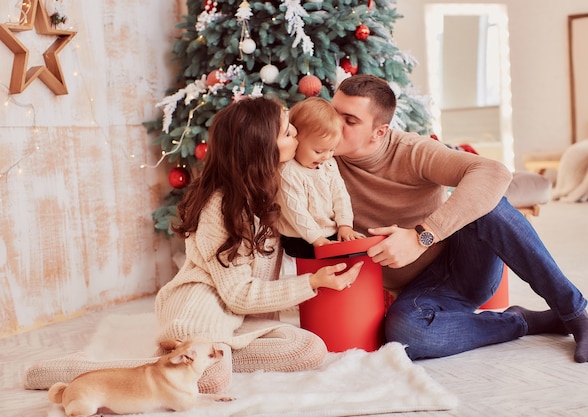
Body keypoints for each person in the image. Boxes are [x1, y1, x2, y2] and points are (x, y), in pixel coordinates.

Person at [24, 97, 363, 393]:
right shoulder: (221, 206)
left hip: (238, 315)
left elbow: (320, 205)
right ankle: (87, 370)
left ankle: (207, 353)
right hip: (201, 308)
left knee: (308, 350)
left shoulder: (273, 187)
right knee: (212, 379)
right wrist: (313, 283)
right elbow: (237, 293)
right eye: (289, 133)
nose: (298, 137)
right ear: (262, 148)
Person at [330, 74, 588, 363]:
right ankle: (524, 322)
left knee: (490, 206)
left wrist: (420, 237)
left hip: (464, 267)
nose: (334, 125)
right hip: (421, 292)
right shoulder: (318, 158)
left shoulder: (412, 151)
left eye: (350, 121)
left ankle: (575, 314)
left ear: (380, 132)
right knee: (406, 335)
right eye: (332, 112)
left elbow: (494, 172)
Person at [277, 97, 363, 259]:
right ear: (297, 140)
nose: (326, 156)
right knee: (331, 263)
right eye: (318, 151)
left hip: (329, 232)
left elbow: (340, 196)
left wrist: (345, 225)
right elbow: (296, 213)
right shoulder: (288, 171)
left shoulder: (329, 164)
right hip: (300, 237)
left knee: (357, 252)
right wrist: (317, 240)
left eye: (331, 150)